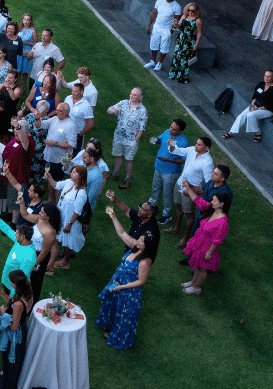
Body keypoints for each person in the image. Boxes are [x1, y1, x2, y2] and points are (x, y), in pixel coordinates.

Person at [96, 210, 155, 349]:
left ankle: (118, 337)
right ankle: (109, 327)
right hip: (117, 282)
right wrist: (114, 217)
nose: (138, 240)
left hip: (129, 291)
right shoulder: (135, 248)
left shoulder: (145, 261)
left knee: (124, 314)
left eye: (141, 240)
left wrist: (121, 287)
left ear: (147, 245)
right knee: (111, 304)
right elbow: (122, 233)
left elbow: (141, 281)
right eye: (139, 239)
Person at [180, 189, 229, 295]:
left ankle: (196, 288)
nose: (212, 202)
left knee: (203, 268)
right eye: (212, 200)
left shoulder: (223, 221)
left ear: (222, 204)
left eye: (215, 201)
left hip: (206, 247)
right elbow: (200, 202)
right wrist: (189, 190)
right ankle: (193, 282)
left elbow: (217, 240)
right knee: (196, 265)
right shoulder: (213, 210)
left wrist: (209, 253)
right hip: (199, 242)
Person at [0, 270, 32, 389]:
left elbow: (13, 327)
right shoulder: (26, 290)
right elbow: (12, 303)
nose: (9, 282)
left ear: (15, 284)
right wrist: (1, 292)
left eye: (11, 281)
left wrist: (3, 313)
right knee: (12, 360)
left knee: (11, 359)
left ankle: (5, 384)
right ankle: (6, 374)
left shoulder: (19, 304)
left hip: (15, 335)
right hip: (21, 328)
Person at [177, 164, 232, 253]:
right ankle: (192, 256)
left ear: (222, 179)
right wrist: (189, 186)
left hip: (211, 218)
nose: (212, 174)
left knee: (205, 241)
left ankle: (201, 257)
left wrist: (190, 191)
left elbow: (222, 210)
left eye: (216, 174)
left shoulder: (225, 194)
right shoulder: (211, 182)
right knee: (196, 234)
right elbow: (201, 190)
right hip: (202, 213)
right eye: (213, 172)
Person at [164, 137, 213, 236]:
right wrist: (172, 145)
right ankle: (176, 228)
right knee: (179, 207)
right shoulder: (191, 150)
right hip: (180, 183)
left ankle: (186, 238)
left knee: (189, 214)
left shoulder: (208, 162)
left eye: (199, 145)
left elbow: (209, 184)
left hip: (191, 190)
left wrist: (193, 190)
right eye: (196, 143)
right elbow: (176, 151)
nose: (196, 146)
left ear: (206, 147)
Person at [46, 165, 88, 272]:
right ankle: (51, 265)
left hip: (70, 220)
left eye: (74, 172)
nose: (71, 173)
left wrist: (69, 224)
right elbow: (56, 185)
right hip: (61, 217)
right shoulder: (69, 182)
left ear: (81, 176)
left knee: (67, 242)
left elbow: (77, 211)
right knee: (57, 240)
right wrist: (49, 177)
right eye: (72, 171)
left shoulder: (82, 193)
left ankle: (65, 261)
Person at [225, 70, 273, 143]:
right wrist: (252, 104)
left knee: (251, 115)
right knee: (242, 115)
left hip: (267, 109)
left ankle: (257, 131)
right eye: (265, 76)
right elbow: (255, 95)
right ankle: (231, 132)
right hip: (256, 105)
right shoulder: (261, 84)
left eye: (268, 77)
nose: (266, 78)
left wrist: (257, 109)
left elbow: (271, 105)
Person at [106, 88, 148, 188]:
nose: (131, 96)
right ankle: (115, 174)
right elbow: (109, 110)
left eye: (134, 95)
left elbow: (142, 128)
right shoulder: (123, 103)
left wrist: (135, 140)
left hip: (131, 140)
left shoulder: (142, 111)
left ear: (140, 97)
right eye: (131, 94)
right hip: (119, 137)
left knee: (129, 160)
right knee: (118, 156)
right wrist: (114, 111)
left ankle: (127, 179)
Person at [149, 119, 189, 224]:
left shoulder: (183, 142)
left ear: (180, 132)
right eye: (171, 127)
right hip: (158, 167)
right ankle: (152, 206)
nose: (171, 130)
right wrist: (155, 140)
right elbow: (160, 139)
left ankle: (166, 214)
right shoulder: (167, 132)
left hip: (170, 172)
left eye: (174, 129)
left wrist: (169, 160)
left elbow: (184, 160)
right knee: (155, 188)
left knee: (167, 194)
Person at [0, 209, 36, 296]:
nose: (15, 235)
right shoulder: (21, 242)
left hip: (13, 288)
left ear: (22, 237)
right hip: (7, 280)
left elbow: (21, 280)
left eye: (17, 234)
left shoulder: (29, 257)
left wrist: (12, 297)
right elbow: (8, 231)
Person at [17, 202, 59, 296]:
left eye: (42, 212)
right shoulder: (40, 218)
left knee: (33, 283)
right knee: (22, 277)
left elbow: (44, 252)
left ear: (48, 217)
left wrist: (33, 264)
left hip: (38, 256)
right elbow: (25, 214)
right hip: (28, 250)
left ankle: (31, 304)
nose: (40, 212)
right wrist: (22, 202)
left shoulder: (50, 232)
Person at [40, 103, 77, 203]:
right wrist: (37, 118)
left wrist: (55, 143)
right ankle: (51, 199)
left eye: (60, 111)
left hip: (59, 159)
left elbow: (72, 145)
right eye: (57, 110)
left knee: (58, 182)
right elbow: (42, 125)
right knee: (50, 178)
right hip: (49, 156)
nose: (57, 113)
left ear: (66, 112)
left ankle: (58, 204)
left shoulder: (71, 125)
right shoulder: (55, 119)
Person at [143, 0, 180, 71]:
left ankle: (159, 63)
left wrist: (171, 32)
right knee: (154, 43)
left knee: (164, 47)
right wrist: (149, 26)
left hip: (167, 29)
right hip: (157, 27)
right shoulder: (159, 1)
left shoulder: (177, 6)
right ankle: (152, 61)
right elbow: (154, 14)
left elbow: (177, 21)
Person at [168, 3, 202, 83]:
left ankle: (182, 78)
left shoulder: (198, 21)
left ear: (196, 11)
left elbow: (199, 33)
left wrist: (196, 44)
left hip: (189, 41)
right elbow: (178, 27)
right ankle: (173, 75)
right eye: (189, 10)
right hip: (181, 39)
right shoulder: (184, 17)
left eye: (192, 11)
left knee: (185, 59)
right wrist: (175, 24)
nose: (190, 12)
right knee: (176, 57)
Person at [63, 82, 94, 156]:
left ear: (81, 92)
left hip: (75, 135)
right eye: (72, 91)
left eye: (75, 91)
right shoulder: (68, 98)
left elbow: (90, 124)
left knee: (73, 156)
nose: (73, 93)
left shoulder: (86, 106)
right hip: (64, 130)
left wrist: (79, 135)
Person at [0, 69, 22, 140]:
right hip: (0, 113)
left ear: (15, 79)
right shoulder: (1, 86)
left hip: (9, 114)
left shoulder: (17, 89)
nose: (8, 79)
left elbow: (13, 98)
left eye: (11, 78)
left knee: (6, 137)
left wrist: (8, 88)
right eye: (7, 77)